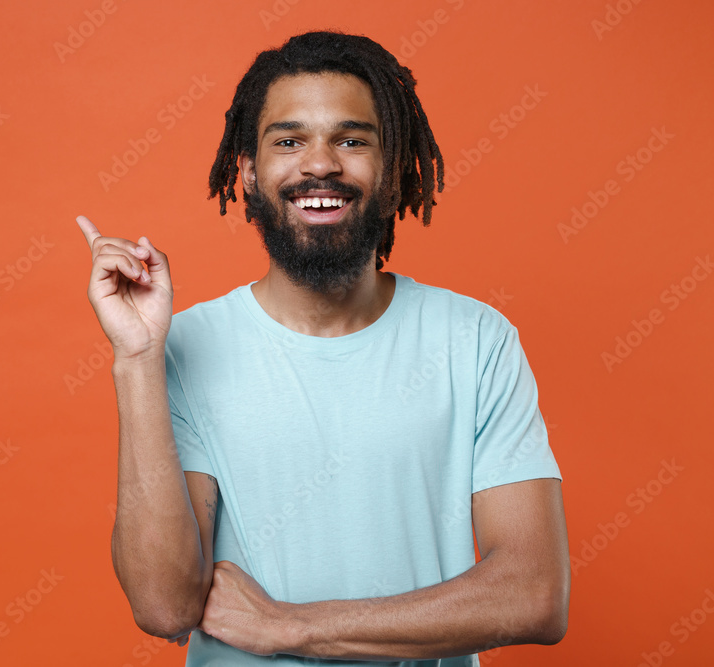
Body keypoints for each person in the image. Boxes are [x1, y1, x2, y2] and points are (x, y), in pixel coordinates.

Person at [77, 30, 569, 666]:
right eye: (289, 140)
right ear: (249, 174)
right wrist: (137, 359)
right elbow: (164, 605)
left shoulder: (477, 341)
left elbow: (534, 594)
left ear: (390, 173)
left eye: (351, 140)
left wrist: (293, 627)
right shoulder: (185, 347)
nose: (320, 164)